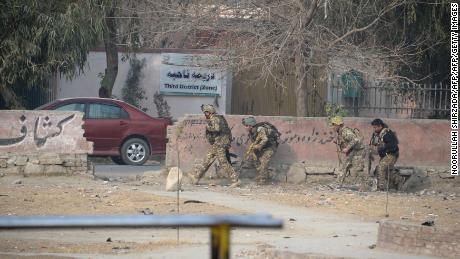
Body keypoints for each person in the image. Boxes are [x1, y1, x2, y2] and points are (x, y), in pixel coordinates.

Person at [190, 104, 240, 187]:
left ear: (208, 112)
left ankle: (235, 180)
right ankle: (196, 177)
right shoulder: (219, 118)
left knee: (222, 161)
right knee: (208, 159)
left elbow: (216, 129)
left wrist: (208, 126)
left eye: (205, 113)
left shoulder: (215, 118)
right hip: (219, 143)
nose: (205, 115)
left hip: (220, 143)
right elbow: (227, 130)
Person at [330, 116, 367, 189]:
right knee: (344, 167)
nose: (332, 127)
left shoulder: (345, 132)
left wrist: (347, 148)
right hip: (352, 151)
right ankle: (338, 184)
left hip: (358, 151)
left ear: (338, 125)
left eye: (334, 125)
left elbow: (355, 139)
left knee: (358, 169)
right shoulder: (340, 132)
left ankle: (364, 186)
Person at [241, 116, 280, 184]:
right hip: (262, 147)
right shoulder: (252, 131)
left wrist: (257, 146)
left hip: (270, 147)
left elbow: (265, 139)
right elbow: (255, 140)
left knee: (264, 162)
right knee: (252, 157)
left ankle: (263, 180)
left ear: (251, 125)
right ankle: (263, 174)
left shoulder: (260, 129)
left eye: (246, 126)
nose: (245, 127)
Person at [370, 118, 403, 191]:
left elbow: (393, 145)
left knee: (381, 168)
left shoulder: (388, 133)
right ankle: (399, 180)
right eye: (373, 127)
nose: (374, 129)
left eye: (375, 127)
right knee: (387, 172)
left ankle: (380, 189)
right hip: (384, 156)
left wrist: (382, 148)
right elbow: (373, 144)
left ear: (380, 126)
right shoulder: (376, 134)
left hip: (391, 154)